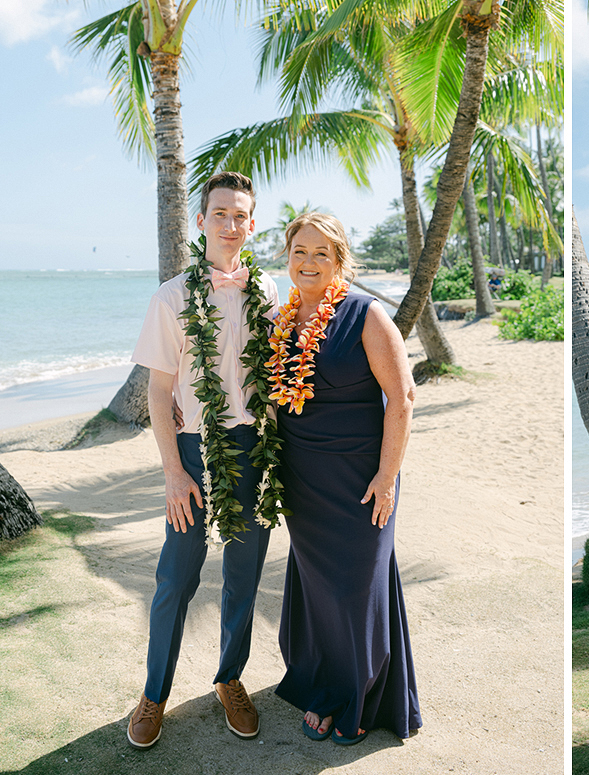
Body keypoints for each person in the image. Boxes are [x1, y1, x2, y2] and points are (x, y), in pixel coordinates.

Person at [127, 171, 279, 748]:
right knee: (176, 575)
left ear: (251, 223)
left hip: (251, 448)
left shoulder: (267, 294)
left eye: (241, 215)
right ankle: (154, 694)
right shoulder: (171, 296)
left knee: (244, 573)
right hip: (192, 449)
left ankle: (229, 678)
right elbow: (159, 391)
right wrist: (173, 470)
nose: (231, 225)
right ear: (200, 221)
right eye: (221, 214)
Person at [270, 212, 422, 744]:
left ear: (339, 261)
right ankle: (326, 683)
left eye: (321, 254)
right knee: (320, 589)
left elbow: (402, 398)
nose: (308, 262)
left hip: (362, 478)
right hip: (302, 479)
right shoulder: (281, 321)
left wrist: (387, 476)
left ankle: (358, 697)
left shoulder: (366, 314)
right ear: (287, 256)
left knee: (358, 587)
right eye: (299, 251)